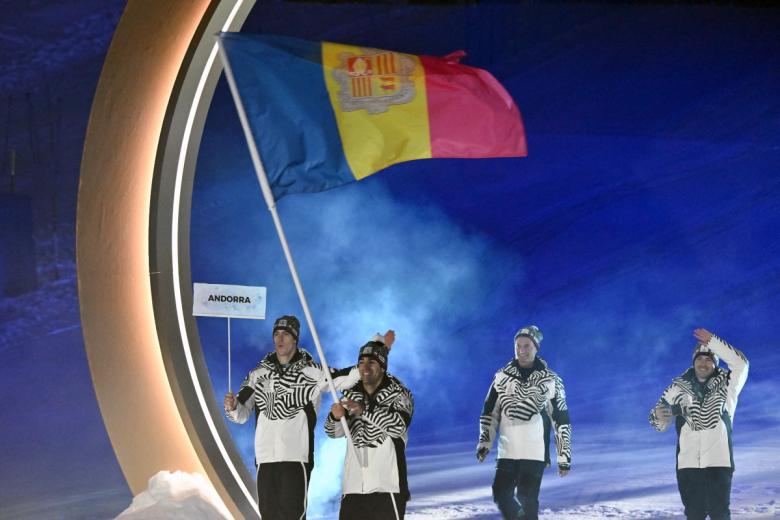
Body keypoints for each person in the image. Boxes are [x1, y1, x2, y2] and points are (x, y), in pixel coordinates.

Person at [223, 315, 359, 520]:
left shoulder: (312, 371)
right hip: (265, 457)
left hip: (296, 456)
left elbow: (344, 378)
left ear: (295, 338)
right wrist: (232, 407)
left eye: (286, 334)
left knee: (292, 514)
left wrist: (373, 356)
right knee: (268, 514)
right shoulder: (258, 374)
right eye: (276, 334)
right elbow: (240, 414)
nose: (280, 339)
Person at [649, 328, 749, 520]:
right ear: (693, 362)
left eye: (709, 359)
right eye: (699, 359)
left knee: (720, 514)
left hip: (719, 464)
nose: (703, 363)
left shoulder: (727, 386)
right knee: (694, 515)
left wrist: (713, 342)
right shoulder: (677, 388)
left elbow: (741, 364)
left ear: (715, 363)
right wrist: (659, 416)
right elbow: (657, 423)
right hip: (688, 466)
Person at [476, 325, 572, 520]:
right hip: (507, 451)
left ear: (536, 347)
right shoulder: (501, 377)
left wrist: (564, 457)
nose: (522, 350)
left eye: (527, 345)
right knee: (500, 494)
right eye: (518, 345)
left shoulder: (551, 380)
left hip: (534, 452)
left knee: (526, 497)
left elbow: (561, 420)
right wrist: (485, 442)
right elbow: (489, 412)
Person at [325, 331, 414, 520]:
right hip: (354, 487)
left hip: (388, 486)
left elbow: (399, 426)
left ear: (382, 367)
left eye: (371, 362)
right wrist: (335, 417)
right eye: (361, 362)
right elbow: (333, 433)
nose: (364, 367)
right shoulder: (351, 394)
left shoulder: (399, 393)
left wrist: (364, 410)